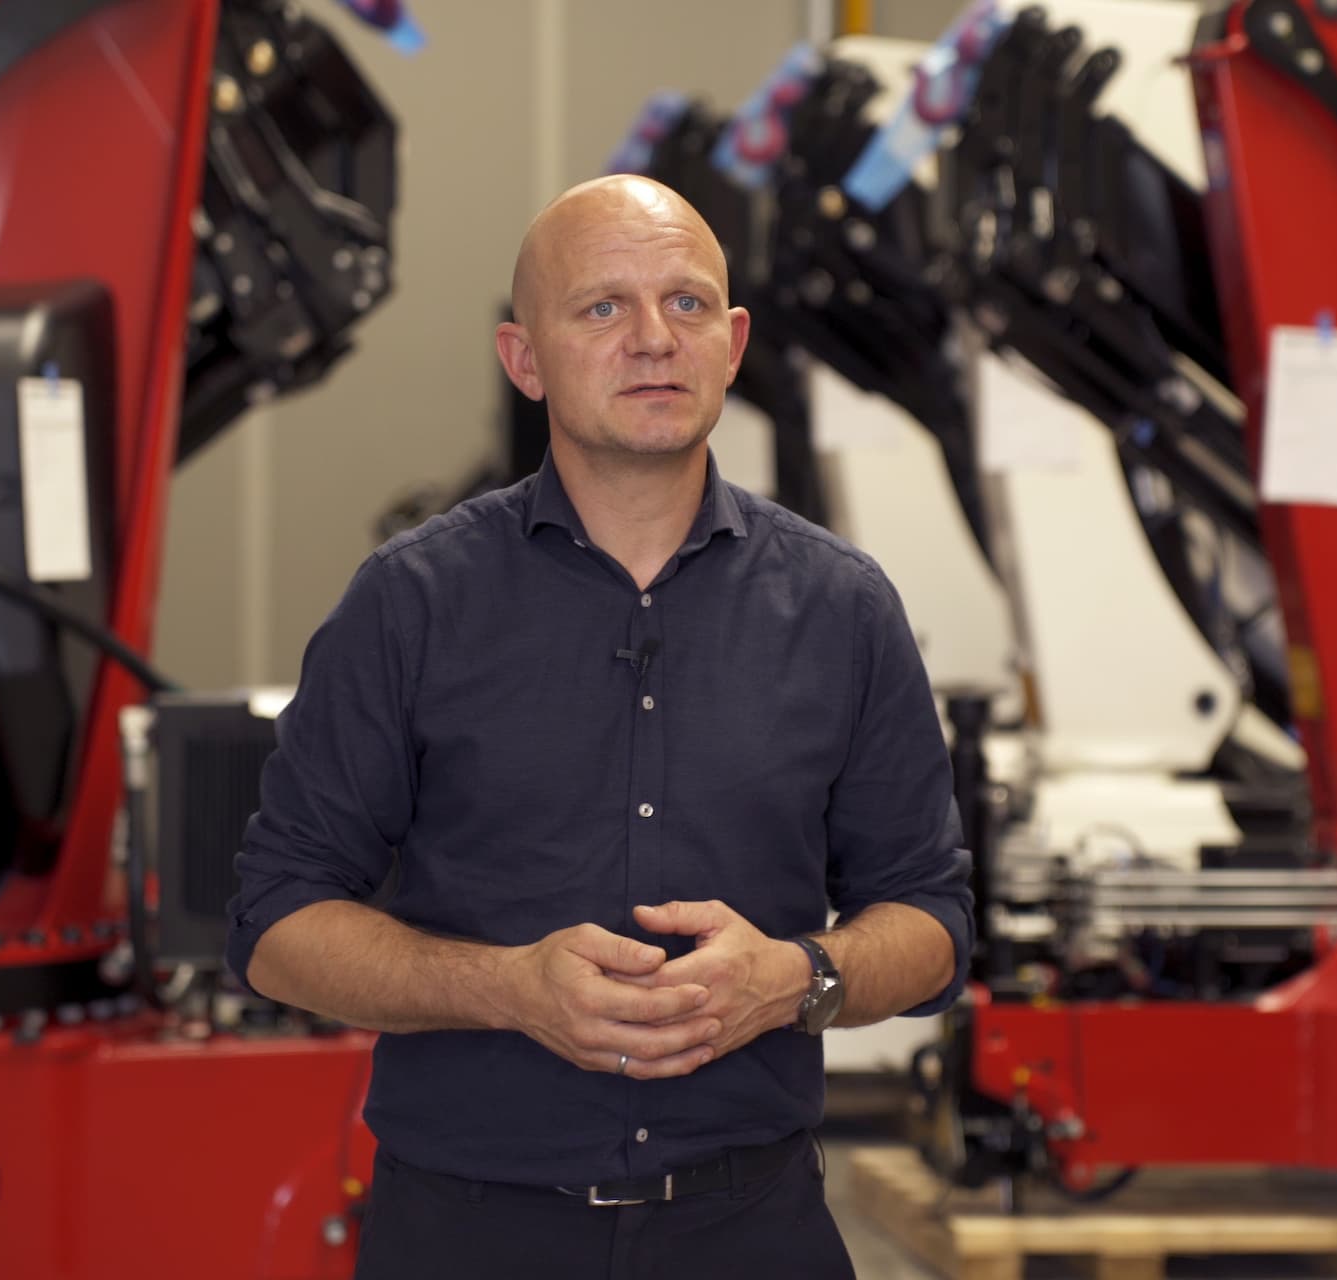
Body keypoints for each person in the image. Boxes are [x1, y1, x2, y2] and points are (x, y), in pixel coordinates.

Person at [227, 174, 971, 1280]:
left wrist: (798, 976)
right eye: (602, 306)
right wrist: (505, 989)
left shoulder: (843, 610)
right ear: (524, 359)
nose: (654, 338)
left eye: (687, 303)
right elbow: (276, 923)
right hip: (471, 1237)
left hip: (751, 1232)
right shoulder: (411, 604)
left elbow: (933, 917)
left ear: (732, 344)